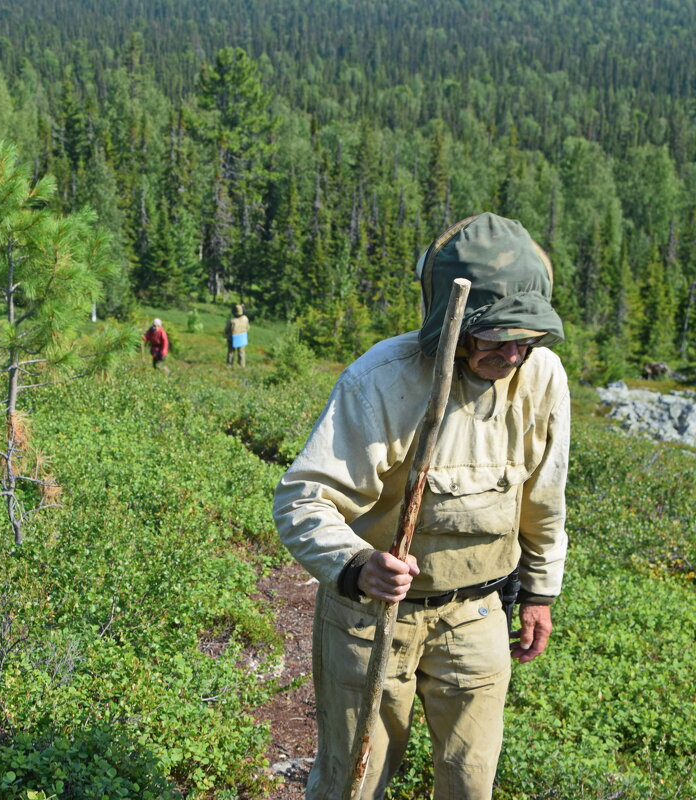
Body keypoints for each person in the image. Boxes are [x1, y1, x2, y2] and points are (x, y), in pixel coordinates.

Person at [272, 213, 569, 800]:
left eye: (527, 336)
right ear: (450, 324)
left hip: (479, 612)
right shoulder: (381, 381)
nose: (513, 353)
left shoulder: (542, 376)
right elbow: (303, 500)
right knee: (354, 781)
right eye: (496, 335)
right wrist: (359, 566)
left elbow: (544, 496)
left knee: (469, 779)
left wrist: (539, 593)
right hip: (373, 620)